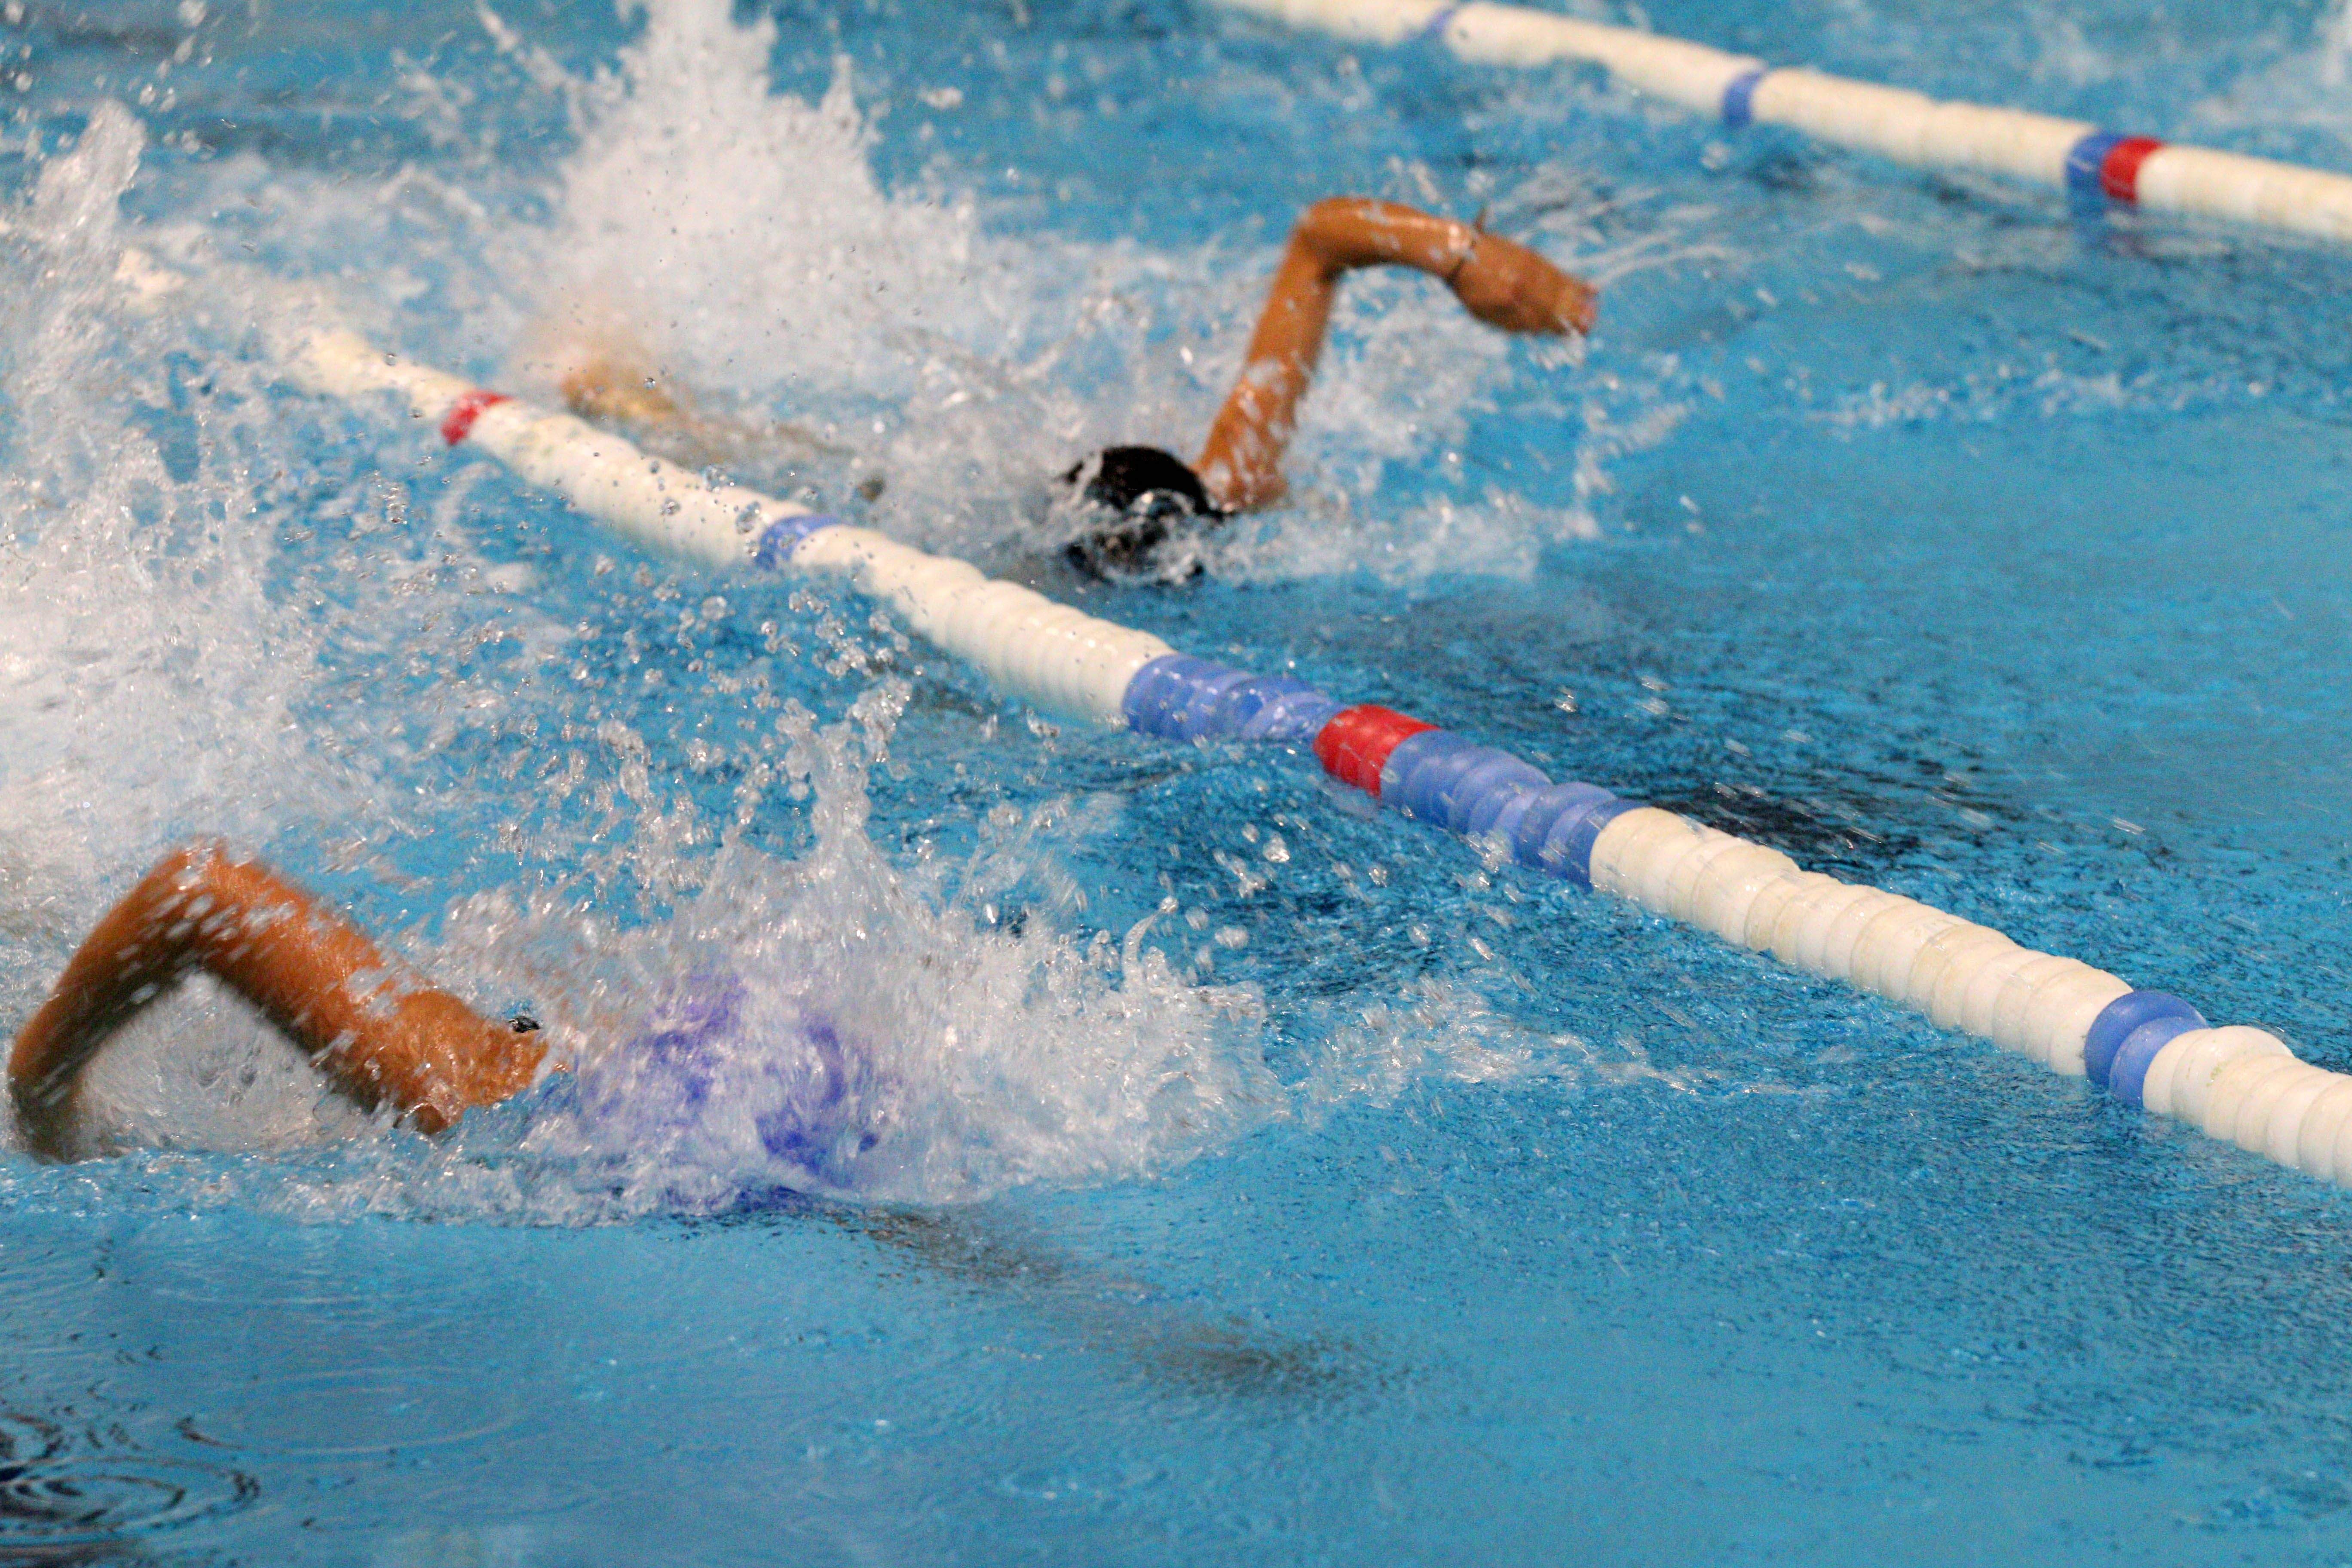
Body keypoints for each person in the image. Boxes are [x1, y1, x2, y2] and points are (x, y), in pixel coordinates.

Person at [560, 197, 1598, 577]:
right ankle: (634, 409)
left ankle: (633, 405)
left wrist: (1463, 255)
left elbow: (1321, 238)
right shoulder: (1000, 575)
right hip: (953, 526)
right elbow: (1318, 242)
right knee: (823, 477)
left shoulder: (1229, 497)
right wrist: (1447, 255)